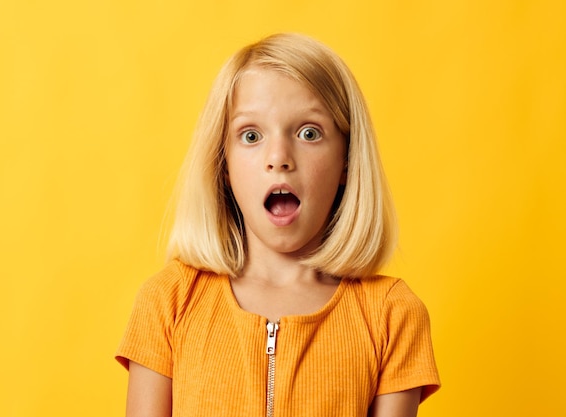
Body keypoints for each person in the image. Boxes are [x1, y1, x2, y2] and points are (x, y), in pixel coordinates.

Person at [116, 33, 440, 417]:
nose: (279, 158)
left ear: (347, 161)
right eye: (251, 135)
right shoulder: (168, 302)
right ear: (223, 165)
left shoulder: (392, 315)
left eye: (308, 133)